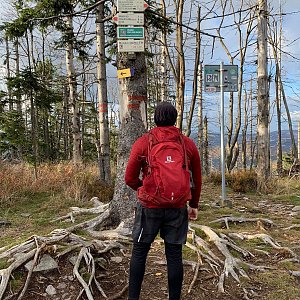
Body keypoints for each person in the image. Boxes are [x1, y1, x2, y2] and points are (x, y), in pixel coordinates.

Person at [125, 101, 202, 300]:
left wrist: (143, 189)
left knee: (140, 251)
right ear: (174, 119)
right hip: (177, 207)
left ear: (155, 119)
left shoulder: (143, 143)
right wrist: (193, 205)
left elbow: (129, 178)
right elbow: (196, 178)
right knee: (174, 255)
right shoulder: (187, 144)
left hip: (149, 206)